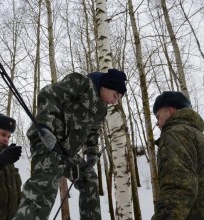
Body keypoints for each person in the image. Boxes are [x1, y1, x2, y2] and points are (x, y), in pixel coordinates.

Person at [13, 69, 127, 220]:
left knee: (89, 178)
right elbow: (48, 93)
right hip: (47, 141)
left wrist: (91, 153)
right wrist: (46, 128)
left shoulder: (102, 110)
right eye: (115, 95)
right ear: (105, 86)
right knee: (43, 190)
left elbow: (93, 130)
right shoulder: (81, 83)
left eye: (118, 98)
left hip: (67, 152)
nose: (115, 101)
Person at [152, 91, 204, 219]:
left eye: (158, 116)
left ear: (171, 111)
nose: (157, 123)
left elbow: (178, 189)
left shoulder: (175, 134)